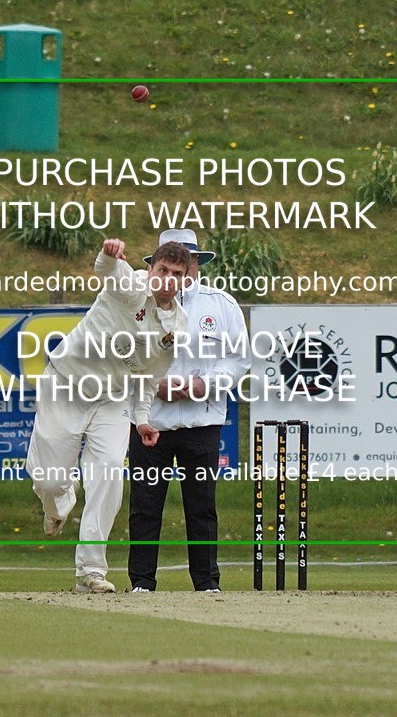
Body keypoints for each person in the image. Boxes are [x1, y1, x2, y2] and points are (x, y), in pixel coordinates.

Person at [26, 237, 191, 594]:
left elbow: (151, 375)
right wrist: (108, 253)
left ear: (186, 280)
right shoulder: (131, 286)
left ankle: (91, 571)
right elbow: (107, 269)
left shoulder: (178, 323)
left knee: (109, 473)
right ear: (151, 269)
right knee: (51, 482)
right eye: (163, 270)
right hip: (66, 384)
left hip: (113, 400)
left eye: (177, 274)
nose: (168, 279)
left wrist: (144, 417)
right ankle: (59, 500)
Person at [128, 228, 251, 592]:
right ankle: (141, 583)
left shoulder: (221, 305)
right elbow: (122, 356)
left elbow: (238, 360)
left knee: (201, 506)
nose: (174, 274)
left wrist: (203, 385)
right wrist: (154, 384)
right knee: (145, 506)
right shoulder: (136, 303)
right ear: (154, 267)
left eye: (186, 263)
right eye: (164, 267)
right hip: (152, 421)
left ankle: (207, 583)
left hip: (202, 421)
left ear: (195, 265)